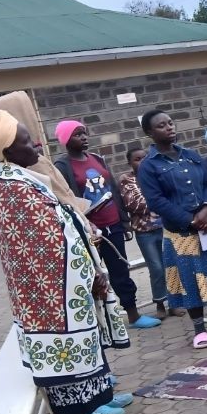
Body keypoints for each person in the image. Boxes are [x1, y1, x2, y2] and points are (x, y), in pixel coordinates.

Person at [0, 107, 133, 414]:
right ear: (7, 152)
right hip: (52, 308)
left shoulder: (19, 180)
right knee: (68, 380)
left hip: (63, 301)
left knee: (82, 374)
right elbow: (48, 246)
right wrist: (89, 275)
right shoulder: (12, 189)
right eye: (27, 142)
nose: (36, 146)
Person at [138, 109, 207, 349]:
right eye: (161, 126)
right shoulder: (149, 166)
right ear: (149, 133)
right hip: (181, 234)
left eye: (170, 123)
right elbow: (156, 201)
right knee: (190, 281)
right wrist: (189, 220)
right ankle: (199, 330)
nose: (169, 127)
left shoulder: (191, 155)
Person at [53, 120, 160, 329]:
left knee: (120, 270)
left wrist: (123, 221)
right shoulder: (62, 167)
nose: (84, 138)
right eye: (77, 134)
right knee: (93, 275)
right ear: (66, 140)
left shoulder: (96, 159)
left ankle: (133, 315)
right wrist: (84, 226)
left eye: (84, 133)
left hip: (113, 225)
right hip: (89, 231)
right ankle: (98, 322)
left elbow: (114, 190)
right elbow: (65, 198)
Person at [120, 147, 185, 319]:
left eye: (144, 158)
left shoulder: (154, 175)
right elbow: (133, 205)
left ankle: (175, 303)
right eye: (137, 159)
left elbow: (169, 195)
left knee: (171, 265)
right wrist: (157, 200)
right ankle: (160, 303)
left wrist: (159, 200)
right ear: (129, 163)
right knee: (156, 267)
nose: (141, 162)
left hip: (164, 228)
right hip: (145, 232)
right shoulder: (127, 181)